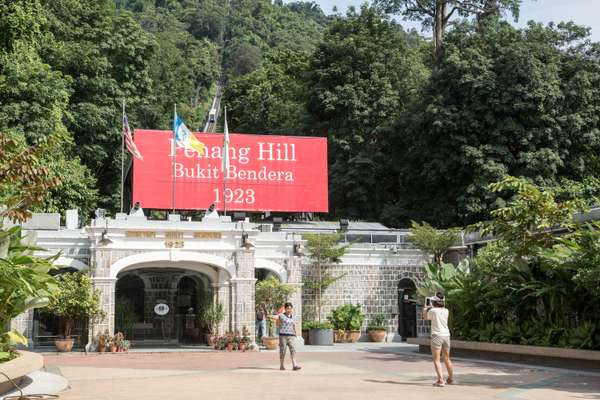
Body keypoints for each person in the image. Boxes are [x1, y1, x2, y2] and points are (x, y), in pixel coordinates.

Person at [423, 292, 454, 387]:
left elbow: (425, 317)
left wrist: (425, 309)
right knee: (447, 358)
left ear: (435, 301)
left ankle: (440, 380)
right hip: (446, 335)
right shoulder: (446, 311)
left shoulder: (433, 311)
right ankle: (451, 378)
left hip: (437, 336)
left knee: (436, 359)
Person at [277, 302, 301, 371]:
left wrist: (296, 332)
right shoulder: (282, 315)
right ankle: (281, 365)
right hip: (283, 335)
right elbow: (287, 321)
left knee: (293, 349)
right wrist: (293, 320)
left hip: (291, 335)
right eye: (287, 308)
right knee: (283, 350)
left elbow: (294, 324)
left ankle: (294, 365)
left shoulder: (294, 316)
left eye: (290, 308)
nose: (289, 310)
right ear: (285, 309)